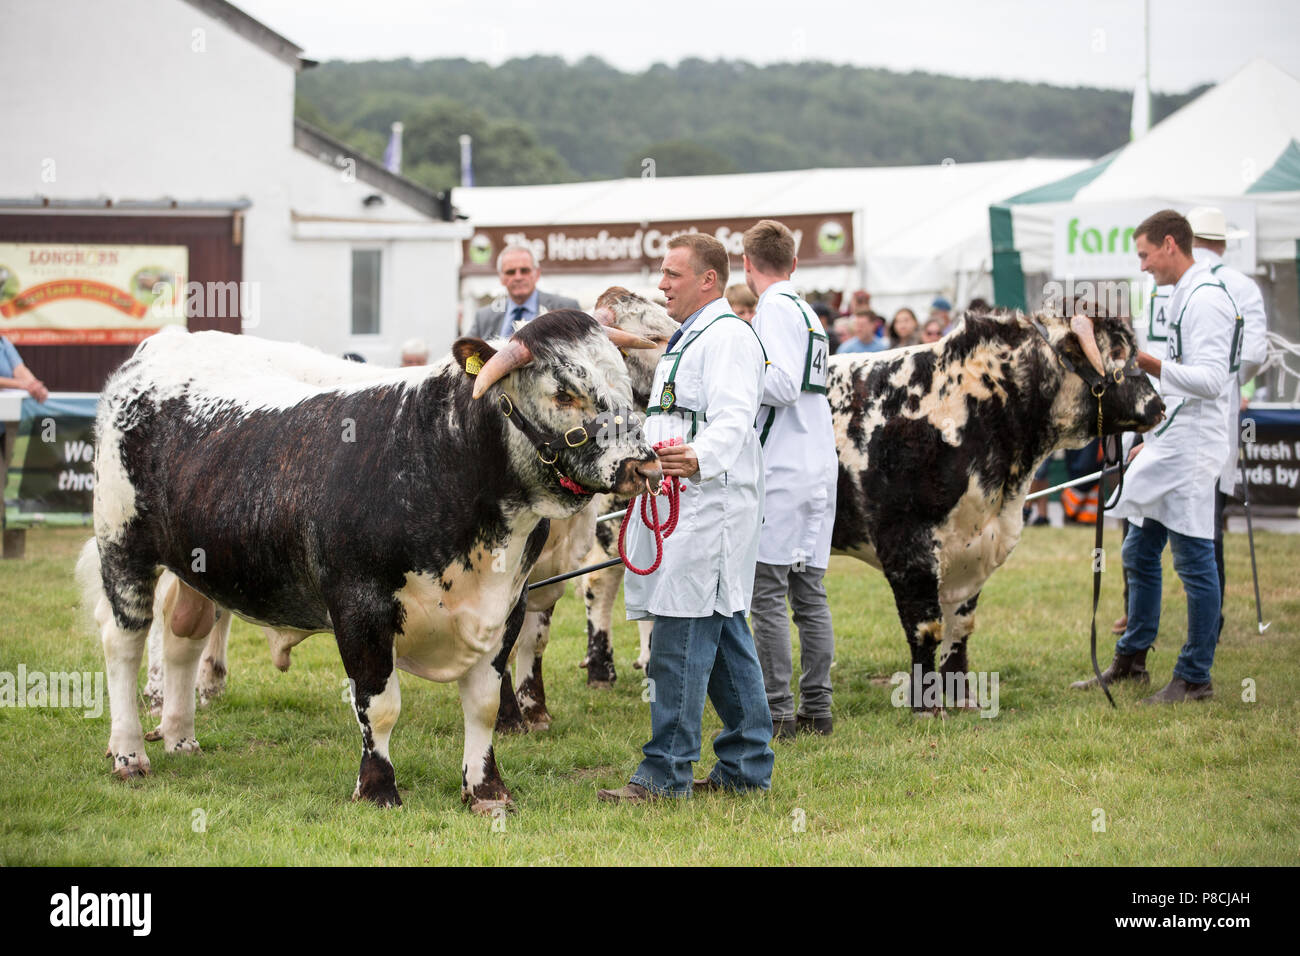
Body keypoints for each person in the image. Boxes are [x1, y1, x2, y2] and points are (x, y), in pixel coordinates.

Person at [598, 233, 774, 802]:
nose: (661, 284)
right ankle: (746, 765)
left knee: (678, 633)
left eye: (673, 274)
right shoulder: (688, 338)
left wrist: (699, 456)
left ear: (709, 280)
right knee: (723, 636)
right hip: (678, 501)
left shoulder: (727, 338)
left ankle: (664, 773)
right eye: (662, 273)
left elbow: (733, 416)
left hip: (709, 505)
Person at [1071, 210, 1239, 703]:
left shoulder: (1206, 299)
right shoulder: (1183, 293)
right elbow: (1184, 377)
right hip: (1171, 438)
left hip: (1193, 448)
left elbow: (1211, 380)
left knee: (1193, 561)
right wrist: (1155, 429)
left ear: (1170, 244)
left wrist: (1144, 361)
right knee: (1139, 551)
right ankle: (1132, 658)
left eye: (1145, 254)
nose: (1142, 265)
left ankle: (1194, 677)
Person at [742, 220, 839, 739]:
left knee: (768, 591)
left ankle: (778, 710)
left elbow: (778, 383)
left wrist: (735, 370)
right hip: (817, 458)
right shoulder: (808, 310)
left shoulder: (774, 308)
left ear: (746, 264)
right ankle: (817, 708)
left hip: (784, 464)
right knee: (809, 592)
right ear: (795, 262)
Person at [1186, 206, 1269, 640]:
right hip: (1217, 417)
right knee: (1208, 521)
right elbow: (1254, 355)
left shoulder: (1169, 283)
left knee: (1144, 526)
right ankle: (1208, 623)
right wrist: (1231, 385)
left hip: (1172, 414)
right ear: (1223, 242)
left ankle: (1138, 620)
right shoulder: (1242, 286)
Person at [469, 244, 578, 339]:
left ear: (537, 274)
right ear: (501, 278)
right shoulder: (483, 318)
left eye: (524, 270)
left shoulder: (566, 309)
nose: (518, 277)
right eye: (511, 272)